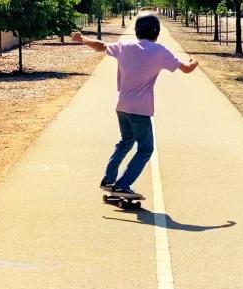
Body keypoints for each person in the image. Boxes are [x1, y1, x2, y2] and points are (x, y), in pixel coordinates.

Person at [71, 12, 198, 197]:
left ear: (137, 30)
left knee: (126, 141)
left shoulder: (125, 45)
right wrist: (195, 60)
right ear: (156, 31)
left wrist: (82, 38)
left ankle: (108, 180)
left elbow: (102, 46)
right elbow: (187, 69)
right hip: (140, 110)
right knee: (146, 148)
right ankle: (123, 185)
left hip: (122, 106)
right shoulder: (160, 51)